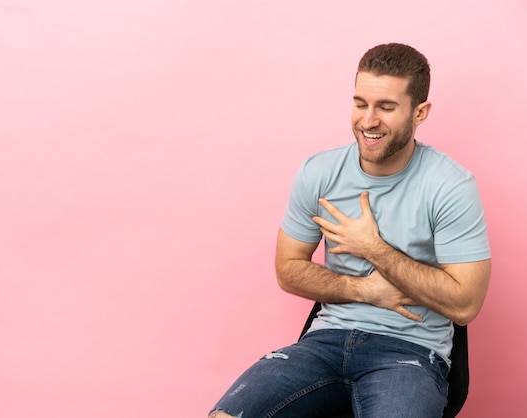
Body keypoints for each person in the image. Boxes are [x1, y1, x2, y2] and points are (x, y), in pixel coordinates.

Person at [209, 43, 491, 418]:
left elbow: (466, 303)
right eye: (361, 103)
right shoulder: (319, 172)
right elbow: (287, 269)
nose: (368, 120)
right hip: (323, 344)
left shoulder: (450, 186)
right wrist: (362, 290)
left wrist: (373, 248)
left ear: (419, 112)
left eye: (386, 107)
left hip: (408, 353)